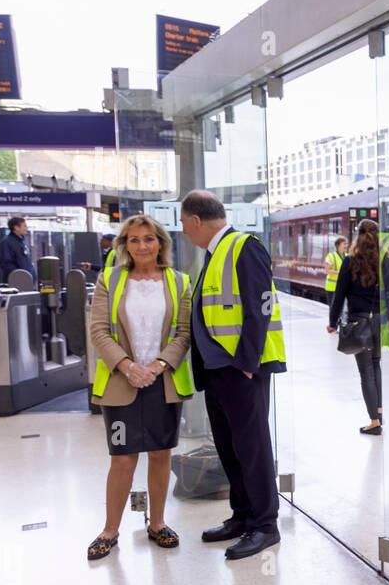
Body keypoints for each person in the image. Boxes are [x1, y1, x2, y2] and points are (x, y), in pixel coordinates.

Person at [180, 190, 287, 560]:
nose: (183, 232)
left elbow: (261, 305)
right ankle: (242, 516)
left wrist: (247, 362)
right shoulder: (214, 254)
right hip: (218, 371)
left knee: (252, 447)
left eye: (183, 224)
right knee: (231, 446)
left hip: (242, 369)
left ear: (195, 220)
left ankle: (265, 525)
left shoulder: (244, 246)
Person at [85, 215, 195, 560]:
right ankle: (110, 529)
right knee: (122, 458)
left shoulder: (179, 282)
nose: (142, 246)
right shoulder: (110, 279)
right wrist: (128, 367)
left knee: (161, 454)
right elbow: (99, 330)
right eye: (134, 240)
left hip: (163, 383)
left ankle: (157, 523)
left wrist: (158, 365)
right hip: (121, 382)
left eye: (149, 239)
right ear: (124, 245)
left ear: (161, 242)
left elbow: (184, 332)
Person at [327, 219, 389, 434]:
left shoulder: (350, 261)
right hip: (379, 321)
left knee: (366, 372)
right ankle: (378, 412)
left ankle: (374, 422)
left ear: (357, 237)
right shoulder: (384, 261)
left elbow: (339, 295)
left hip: (359, 323)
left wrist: (332, 323)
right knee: (376, 365)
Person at [0, 216, 35, 284]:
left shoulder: (21, 242)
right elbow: (6, 263)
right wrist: (19, 276)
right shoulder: (6, 242)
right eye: (24, 226)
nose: (26, 228)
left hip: (28, 281)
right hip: (16, 282)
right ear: (16, 227)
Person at [323, 236, 348, 304]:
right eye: (344, 244)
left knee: (343, 311)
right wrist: (340, 273)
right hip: (332, 288)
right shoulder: (331, 256)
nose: (346, 246)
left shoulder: (347, 256)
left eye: (346, 244)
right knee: (334, 309)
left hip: (343, 289)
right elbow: (327, 271)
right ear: (338, 245)